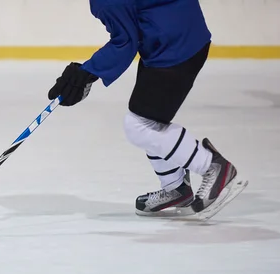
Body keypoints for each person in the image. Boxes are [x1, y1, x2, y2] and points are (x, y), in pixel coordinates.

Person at [47, 0, 246, 218]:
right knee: (148, 118)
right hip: (177, 35)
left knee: (139, 126)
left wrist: (86, 73)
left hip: (174, 46)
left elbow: (125, 42)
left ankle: (213, 167)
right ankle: (175, 187)